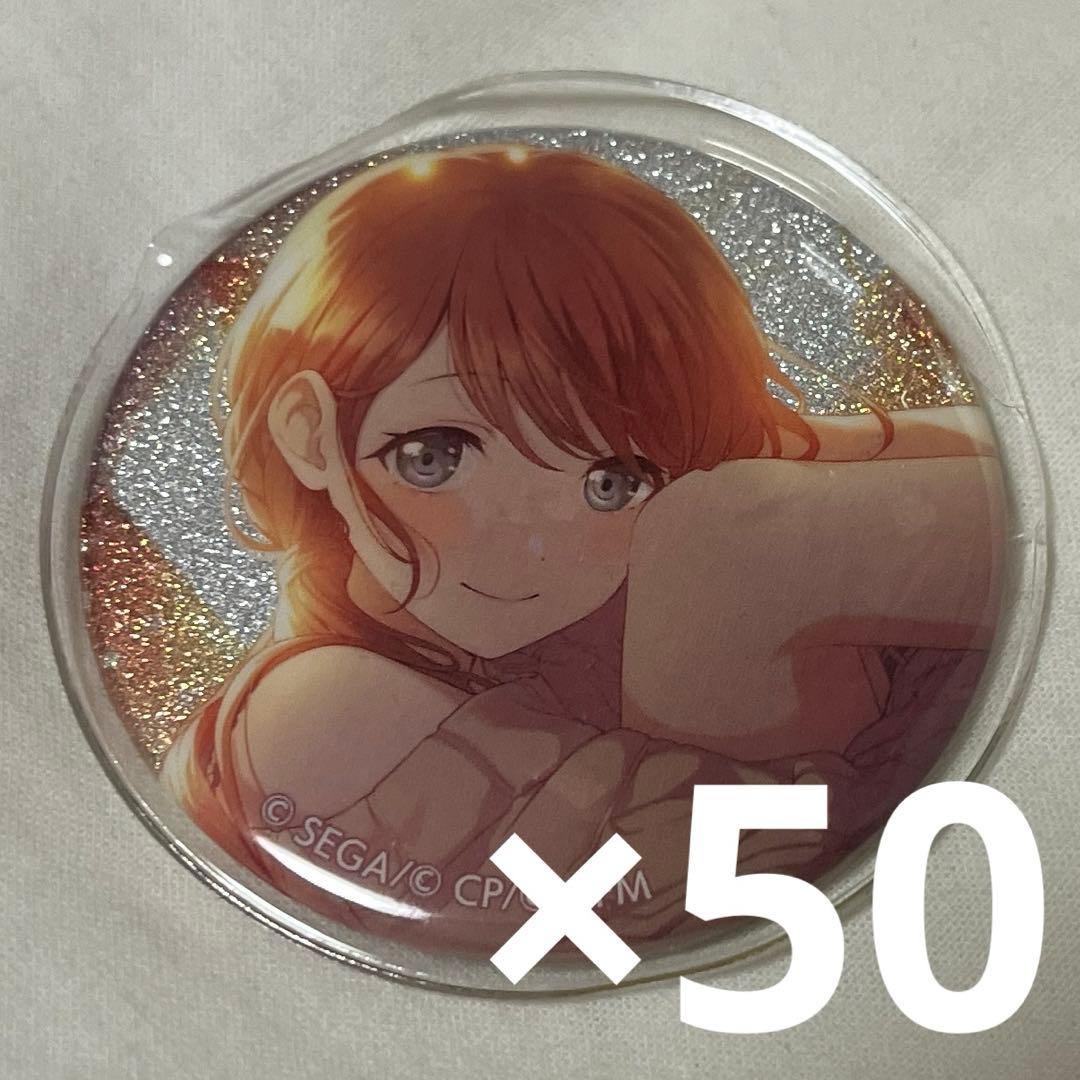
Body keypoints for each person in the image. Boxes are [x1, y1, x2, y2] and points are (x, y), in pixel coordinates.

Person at [162, 144, 1002, 951]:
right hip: (795, 886)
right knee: (722, 533)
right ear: (310, 433)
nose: (529, 548)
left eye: (611, 479)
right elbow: (749, 874)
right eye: (436, 457)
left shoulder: (624, 549)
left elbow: (970, 460)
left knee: (721, 517)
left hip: (860, 836)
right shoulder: (311, 711)